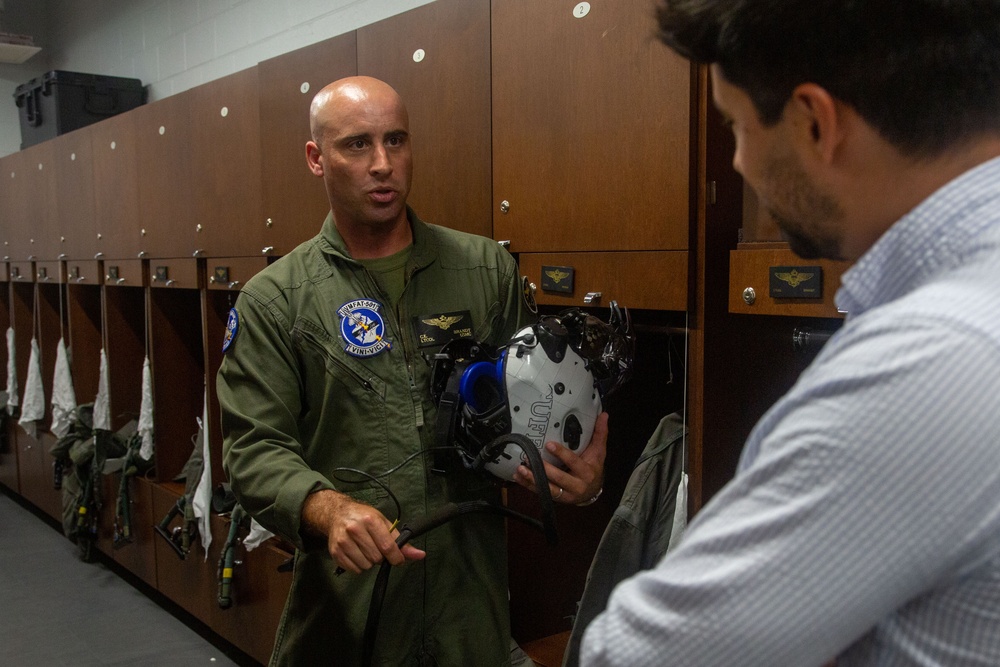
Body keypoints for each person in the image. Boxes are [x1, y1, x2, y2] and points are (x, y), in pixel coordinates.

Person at [580, 1, 1000, 665]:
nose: (740, 162)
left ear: (814, 121)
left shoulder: (927, 363)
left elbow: (635, 656)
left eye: (737, 126)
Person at [217, 76, 606, 666]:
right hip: (350, 618)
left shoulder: (484, 270)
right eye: (357, 145)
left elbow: (535, 404)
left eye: (396, 140)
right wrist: (329, 509)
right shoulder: (277, 300)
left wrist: (576, 474)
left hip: (468, 613)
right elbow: (253, 449)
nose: (383, 164)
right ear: (315, 159)